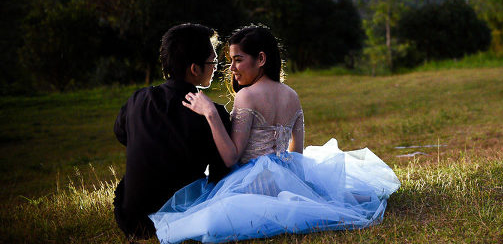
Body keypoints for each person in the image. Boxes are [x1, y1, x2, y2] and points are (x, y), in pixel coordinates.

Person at [149, 24, 400, 243]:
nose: (232, 68)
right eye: (230, 60)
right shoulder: (291, 95)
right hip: (286, 174)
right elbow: (297, 153)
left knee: (207, 218)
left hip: (252, 181)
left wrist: (211, 114)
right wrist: (287, 178)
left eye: (238, 59)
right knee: (324, 198)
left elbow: (231, 158)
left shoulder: (246, 95)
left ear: (260, 59)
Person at [113, 23, 231, 240]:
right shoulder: (213, 114)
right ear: (194, 69)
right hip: (182, 217)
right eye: (212, 62)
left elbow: (121, 134)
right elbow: (221, 172)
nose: (216, 67)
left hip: (131, 219)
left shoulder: (138, 100)